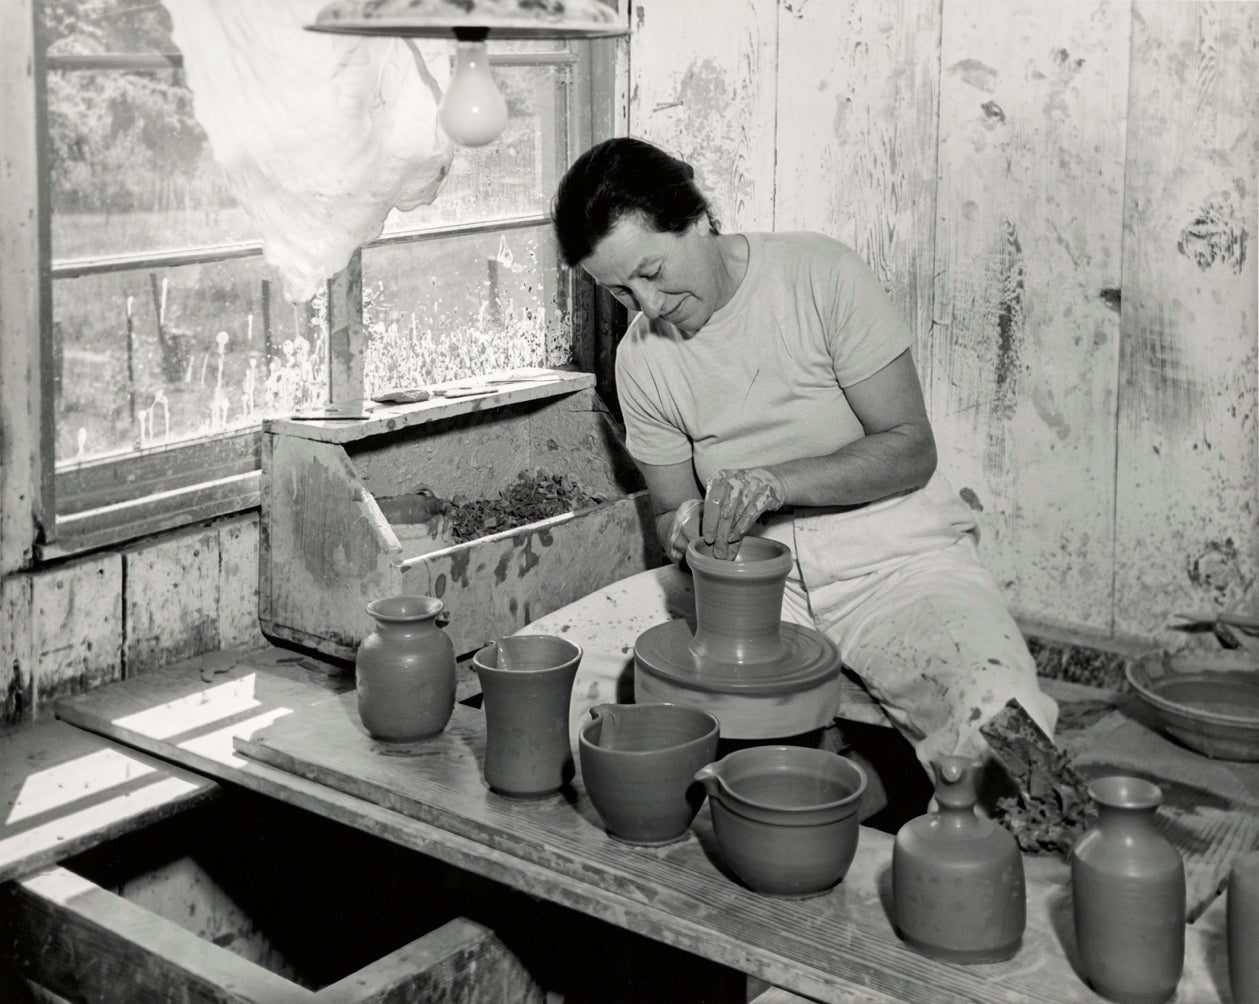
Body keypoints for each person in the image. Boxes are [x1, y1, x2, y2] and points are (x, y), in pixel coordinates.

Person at [550, 136, 1058, 796]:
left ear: (697, 217)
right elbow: (672, 510)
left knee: (1011, 740)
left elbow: (909, 447)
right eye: (618, 291)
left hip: (893, 562)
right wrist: (682, 528)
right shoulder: (641, 358)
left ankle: (901, 804)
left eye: (651, 271)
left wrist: (775, 482)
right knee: (562, 672)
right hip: (754, 586)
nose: (645, 306)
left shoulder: (817, 274)